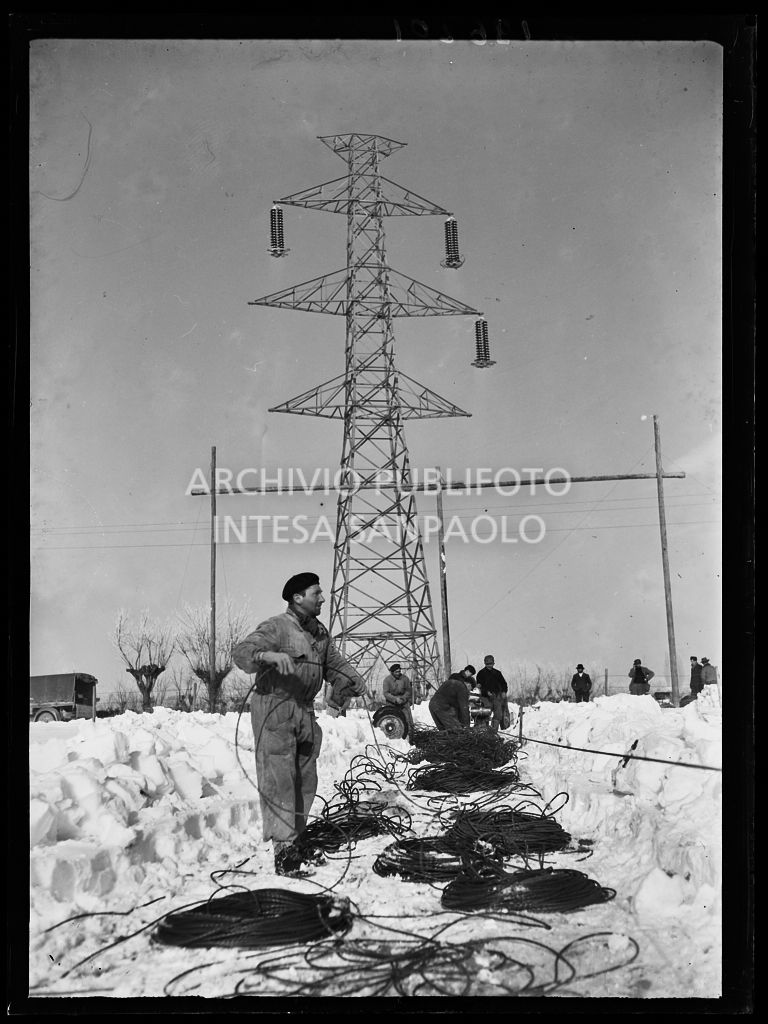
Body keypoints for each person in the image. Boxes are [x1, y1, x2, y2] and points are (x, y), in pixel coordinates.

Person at [233, 572, 368, 875]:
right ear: (297, 598)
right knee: (280, 778)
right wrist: (267, 655)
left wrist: (354, 680)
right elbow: (242, 653)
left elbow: (334, 664)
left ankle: (297, 839)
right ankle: (284, 849)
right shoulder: (276, 627)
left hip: (305, 710)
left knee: (306, 779)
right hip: (274, 707)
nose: (322, 598)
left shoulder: (319, 633)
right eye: (316, 593)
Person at [429, 665, 476, 731]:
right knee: (456, 732)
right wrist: (467, 726)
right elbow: (464, 709)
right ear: (469, 684)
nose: (469, 691)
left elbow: (455, 705)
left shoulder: (451, 681)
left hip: (432, 705)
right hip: (443, 707)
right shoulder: (462, 688)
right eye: (471, 688)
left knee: (444, 732)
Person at [476, 655, 510, 731]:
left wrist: (504, 691)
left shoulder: (497, 673)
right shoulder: (481, 673)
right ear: (485, 663)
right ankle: (485, 731)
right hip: (485, 697)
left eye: (491, 663)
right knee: (486, 714)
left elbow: (504, 683)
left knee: (498, 714)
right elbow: (479, 686)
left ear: (493, 663)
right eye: (488, 664)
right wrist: (486, 692)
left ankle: (494, 731)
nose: (489, 665)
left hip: (496, 696)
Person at [381, 663, 414, 741]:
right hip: (391, 703)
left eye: (399, 671)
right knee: (393, 721)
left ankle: (411, 738)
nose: (398, 673)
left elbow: (408, 691)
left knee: (408, 721)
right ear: (392, 672)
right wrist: (395, 699)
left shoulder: (405, 679)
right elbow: (386, 693)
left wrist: (402, 698)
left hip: (403, 702)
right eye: (396, 672)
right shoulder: (387, 680)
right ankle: (394, 739)